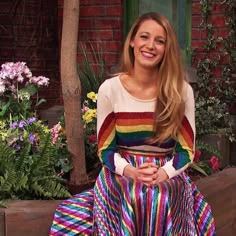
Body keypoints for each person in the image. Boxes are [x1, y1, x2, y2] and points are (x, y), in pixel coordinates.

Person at [50, 12, 216, 235]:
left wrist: (164, 173)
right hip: (121, 170)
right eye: (144, 37)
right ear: (132, 41)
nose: (150, 45)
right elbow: (105, 149)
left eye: (160, 41)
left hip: (167, 170)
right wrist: (130, 171)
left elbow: (186, 149)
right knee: (133, 194)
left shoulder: (181, 91)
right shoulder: (110, 89)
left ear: (167, 48)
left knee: (159, 198)